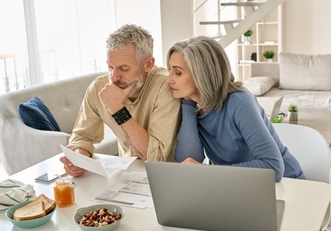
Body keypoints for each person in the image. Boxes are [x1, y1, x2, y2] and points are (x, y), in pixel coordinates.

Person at [165, 36, 305, 182]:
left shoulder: (239, 102)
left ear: (202, 75)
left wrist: (208, 171)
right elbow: (188, 162)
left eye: (178, 72)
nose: (169, 79)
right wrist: (188, 106)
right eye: (170, 70)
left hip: (286, 184)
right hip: (240, 186)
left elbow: (273, 167)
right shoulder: (193, 105)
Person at [60, 24, 181, 177]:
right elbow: (82, 136)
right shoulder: (99, 87)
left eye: (124, 69)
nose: (114, 77)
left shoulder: (166, 86)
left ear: (148, 64)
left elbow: (154, 158)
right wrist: (79, 157)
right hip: (126, 176)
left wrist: (118, 110)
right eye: (110, 67)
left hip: (166, 177)